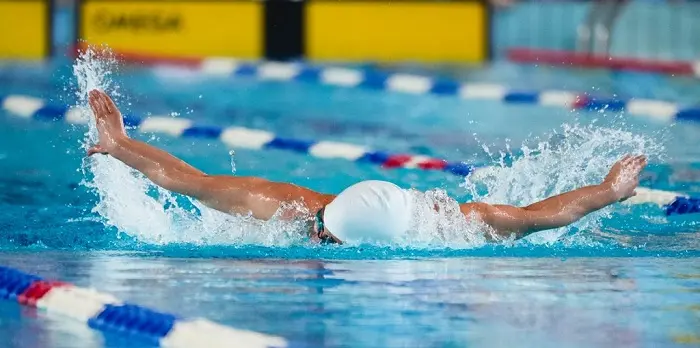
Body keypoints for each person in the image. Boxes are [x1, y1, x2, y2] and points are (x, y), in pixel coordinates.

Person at [86, 90, 648, 244]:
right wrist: (606, 191)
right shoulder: (455, 225)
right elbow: (540, 216)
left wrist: (123, 147)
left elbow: (192, 182)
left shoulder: (448, 222)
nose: (435, 202)